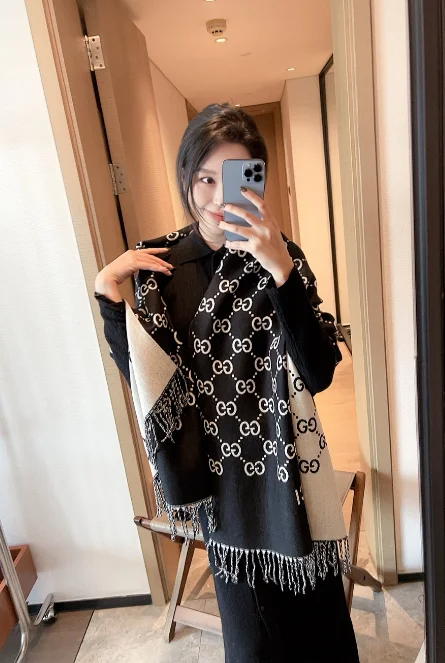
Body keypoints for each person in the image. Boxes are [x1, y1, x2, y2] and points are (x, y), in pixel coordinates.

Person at [95, 103, 359, 663]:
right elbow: (149, 385)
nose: (218, 198)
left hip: (289, 473)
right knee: (253, 643)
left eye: (235, 177)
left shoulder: (282, 255)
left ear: (258, 178)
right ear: (186, 180)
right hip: (221, 489)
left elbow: (319, 372)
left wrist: (281, 271)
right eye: (205, 179)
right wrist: (108, 297)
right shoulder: (162, 264)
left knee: (320, 635)